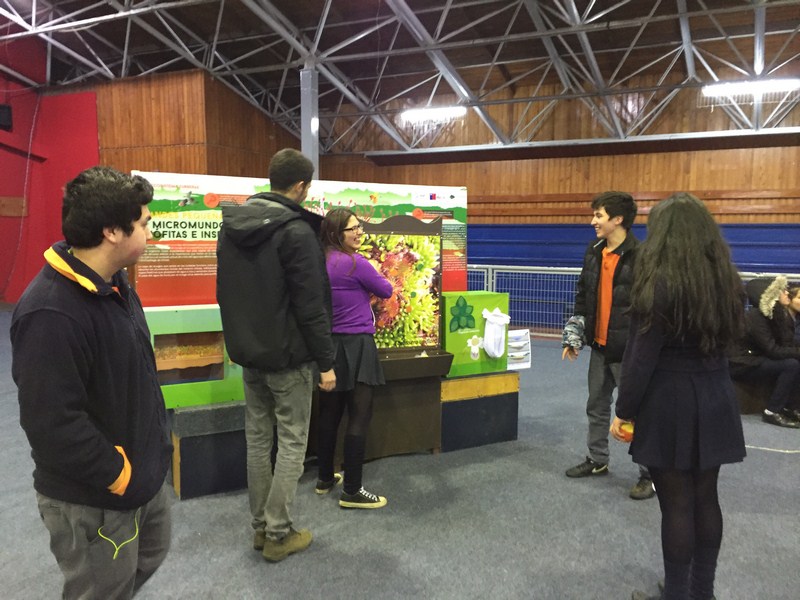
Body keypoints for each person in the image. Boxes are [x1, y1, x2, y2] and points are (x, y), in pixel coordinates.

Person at [10, 166, 172, 599]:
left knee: (147, 559)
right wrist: (119, 475)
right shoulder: (50, 313)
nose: (150, 231)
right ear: (112, 232)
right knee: (101, 591)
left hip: (141, 478)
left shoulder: (114, 282)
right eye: (144, 223)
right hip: (94, 497)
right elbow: (52, 424)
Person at [609, 193, 746, 600]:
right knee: (706, 498)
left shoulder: (657, 283)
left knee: (677, 506)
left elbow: (640, 357)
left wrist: (624, 410)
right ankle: (702, 592)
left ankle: (676, 595)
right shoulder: (727, 281)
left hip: (669, 400)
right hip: (716, 394)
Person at [216, 148, 336, 562]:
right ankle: (279, 533)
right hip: (289, 358)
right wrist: (326, 362)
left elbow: (226, 293)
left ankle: (260, 528)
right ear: (301, 186)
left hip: (250, 356)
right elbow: (311, 305)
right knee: (292, 443)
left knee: (257, 441)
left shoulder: (231, 227)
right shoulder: (296, 232)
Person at [562, 191, 654, 500]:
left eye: (598, 215)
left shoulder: (642, 257)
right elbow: (583, 295)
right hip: (599, 348)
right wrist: (574, 335)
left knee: (637, 413)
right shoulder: (593, 251)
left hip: (629, 352)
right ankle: (597, 459)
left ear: (617, 219)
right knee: (597, 407)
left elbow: (649, 308)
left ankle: (649, 474)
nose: (593, 221)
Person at [315, 208, 393, 509]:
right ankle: (352, 490)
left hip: (329, 346)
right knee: (359, 416)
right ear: (337, 233)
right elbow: (386, 289)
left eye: (360, 227)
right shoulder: (355, 263)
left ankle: (324, 478)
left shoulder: (320, 261)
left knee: (329, 414)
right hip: (357, 344)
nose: (359, 233)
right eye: (352, 229)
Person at [729, 275, 800, 427]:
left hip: (758, 357)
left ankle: (791, 407)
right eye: (781, 290)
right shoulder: (755, 317)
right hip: (743, 362)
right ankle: (771, 411)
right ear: (770, 296)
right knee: (790, 365)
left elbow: (786, 343)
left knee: (795, 361)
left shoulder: (778, 314)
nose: (786, 293)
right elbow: (772, 350)